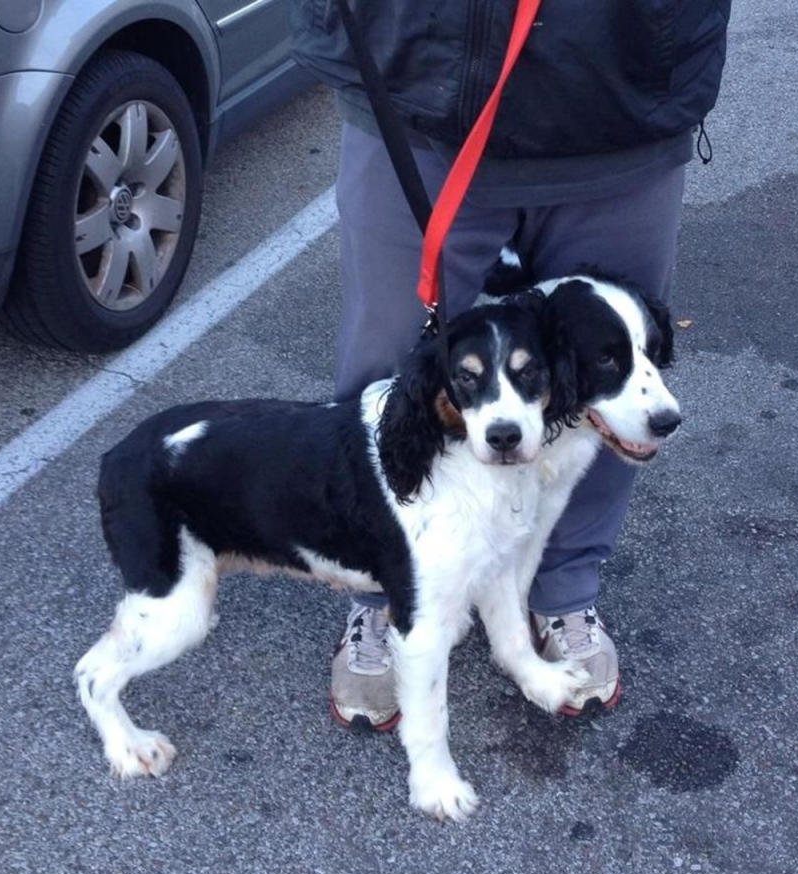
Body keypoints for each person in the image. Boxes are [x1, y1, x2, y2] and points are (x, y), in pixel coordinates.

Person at [291, 0, 731, 727]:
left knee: (605, 382)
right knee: (388, 370)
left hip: (623, 91)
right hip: (418, 85)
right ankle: (382, 591)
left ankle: (564, 587)